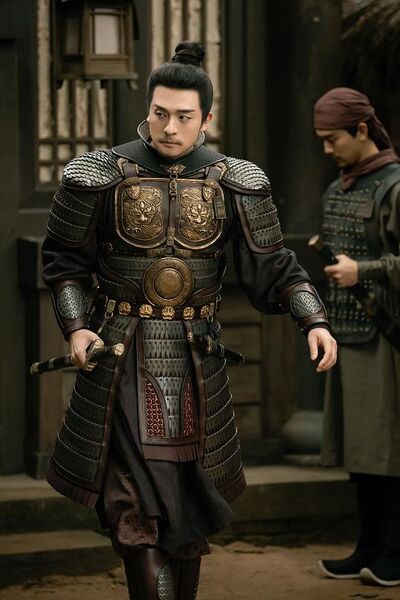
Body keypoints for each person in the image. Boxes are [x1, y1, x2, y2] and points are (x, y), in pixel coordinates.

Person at [42, 41, 337, 600]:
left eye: (183, 116)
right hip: (121, 356)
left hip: (197, 362)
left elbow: (274, 267)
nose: (169, 127)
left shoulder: (235, 180)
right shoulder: (98, 174)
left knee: (184, 507)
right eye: (160, 113)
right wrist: (77, 327)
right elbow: (64, 262)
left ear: (207, 118)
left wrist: (314, 320)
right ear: (148, 109)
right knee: (135, 504)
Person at [314, 87, 400, 587]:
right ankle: (368, 547)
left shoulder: (395, 187)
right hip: (348, 331)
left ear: (362, 130)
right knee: (362, 448)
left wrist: (362, 270)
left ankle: (396, 552)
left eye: (333, 139)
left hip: (388, 335)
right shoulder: (338, 190)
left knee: (390, 445)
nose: (327, 149)